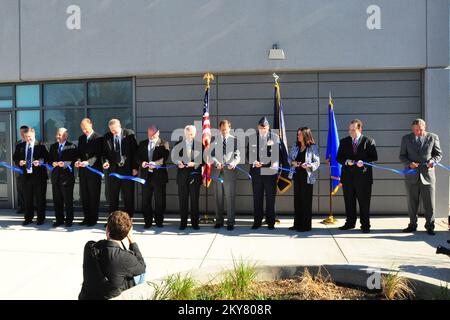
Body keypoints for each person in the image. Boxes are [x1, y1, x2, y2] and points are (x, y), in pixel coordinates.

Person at [79, 211, 146, 300]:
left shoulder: (89, 247)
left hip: (87, 297)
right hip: (109, 296)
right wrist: (131, 240)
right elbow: (142, 267)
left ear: (107, 229)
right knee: (140, 275)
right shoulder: (125, 257)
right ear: (127, 234)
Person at [399, 118, 442, 236]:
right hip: (412, 176)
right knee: (412, 203)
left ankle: (430, 226)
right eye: (415, 130)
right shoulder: (406, 138)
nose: (418, 132)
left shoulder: (433, 137)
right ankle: (412, 225)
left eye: (420, 130)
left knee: (429, 203)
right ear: (412, 129)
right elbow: (402, 156)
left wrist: (433, 161)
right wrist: (409, 163)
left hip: (428, 175)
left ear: (425, 127)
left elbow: (438, 154)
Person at [337, 119, 378, 233]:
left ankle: (365, 225)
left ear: (360, 129)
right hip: (348, 178)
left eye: (353, 130)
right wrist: (346, 161)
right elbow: (339, 157)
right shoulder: (344, 141)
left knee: (364, 202)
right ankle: (350, 223)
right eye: (350, 130)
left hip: (363, 179)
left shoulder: (368, 141)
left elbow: (374, 157)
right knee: (349, 202)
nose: (351, 132)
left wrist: (363, 162)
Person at [12, 127, 49, 226]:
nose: (28, 139)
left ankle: (40, 219)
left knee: (40, 198)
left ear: (34, 135)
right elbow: (15, 157)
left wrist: (40, 161)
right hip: (26, 176)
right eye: (26, 137)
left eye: (29, 137)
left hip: (39, 177)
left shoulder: (41, 145)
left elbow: (47, 157)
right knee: (27, 198)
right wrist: (19, 162)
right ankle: (28, 218)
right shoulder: (20, 145)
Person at [248, 117, 279, 230]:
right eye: (261, 127)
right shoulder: (252, 138)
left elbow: (278, 154)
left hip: (270, 173)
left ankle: (271, 221)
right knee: (257, 198)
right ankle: (257, 221)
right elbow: (248, 154)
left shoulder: (274, 138)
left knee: (271, 198)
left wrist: (272, 163)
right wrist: (254, 162)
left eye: (265, 127)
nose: (263, 129)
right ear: (258, 127)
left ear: (268, 127)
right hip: (256, 173)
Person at [103, 119, 138, 217]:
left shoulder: (129, 134)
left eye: (114, 130)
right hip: (114, 171)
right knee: (112, 197)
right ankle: (112, 220)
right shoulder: (107, 137)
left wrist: (135, 167)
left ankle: (128, 219)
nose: (113, 132)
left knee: (128, 196)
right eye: (111, 130)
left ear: (119, 126)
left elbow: (135, 152)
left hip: (126, 170)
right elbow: (104, 153)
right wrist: (106, 162)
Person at [136, 125, 170, 228]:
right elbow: (137, 157)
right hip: (146, 176)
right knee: (145, 200)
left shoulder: (164, 143)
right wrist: (141, 163)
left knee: (160, 200)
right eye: (149, 134)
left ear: (158, 133)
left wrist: (154, 163)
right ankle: (148, 222)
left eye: (153, 134)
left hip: (159, 177)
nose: (151, 136)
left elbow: (165, 158)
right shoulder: (142, 144)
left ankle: (159, 221)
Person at [288, 127, 320, 232]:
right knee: (297, 201)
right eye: (297, 134)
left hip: (307, 177)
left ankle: (305, 226)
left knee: (306, 201)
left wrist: (308, 165)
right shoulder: (295, 145)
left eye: (300, 134)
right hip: (296, 176)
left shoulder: (312, 147)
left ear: (306, 135)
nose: (298, 136)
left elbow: (317, 162)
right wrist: (293, 163)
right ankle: (297, 224)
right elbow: (289, 158)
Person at [211, 120, 240, 231]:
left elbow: (238, 156)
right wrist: (216, 162)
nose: (224, 131)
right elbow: (211, 155)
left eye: (226, 129)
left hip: (229, 172)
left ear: (229, 128)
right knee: (218, 198)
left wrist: (233, 163)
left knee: (230, 198)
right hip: (217, 173)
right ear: (219, 129)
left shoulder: (234, 140)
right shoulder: (215, 140)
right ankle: (219, 221)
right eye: (222, 129)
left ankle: (230, 222)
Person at [75, 118, 103, 227]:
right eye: (82, 129)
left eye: (86, 128)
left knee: (93, 196)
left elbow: (99, 155)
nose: (84, 131)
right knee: (85, 195)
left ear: (91, 125)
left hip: (94, 172)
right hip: (83, 172)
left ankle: (93, 219)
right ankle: (86, 218)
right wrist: (78, 161)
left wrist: (88, 162)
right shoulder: (81, 138)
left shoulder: (98, 138)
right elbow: (78, 153)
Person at [174, 125, 202, 230]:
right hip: (182, 177)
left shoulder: (199, 145)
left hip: (194, 177)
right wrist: (178, 163)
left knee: (195, 201)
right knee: (183, 201)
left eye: (192, 134)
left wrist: (194, 163)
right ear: (185, 134)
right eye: (188, 134)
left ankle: (195, 223)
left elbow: (203, 161)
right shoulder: (178, 145)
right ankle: (183, 223)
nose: (190, 136)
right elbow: (174, 158)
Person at [48, 128, 78, 227]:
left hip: (67, 178)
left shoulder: (72, 146)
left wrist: (64, 163)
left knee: (68, 200)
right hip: (55, 177)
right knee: (57, 200)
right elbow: (49, 160)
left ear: (65, 136)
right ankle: (59, 220)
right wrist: (52, 163)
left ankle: (69, 220)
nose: (58, 136)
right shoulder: (53, 146)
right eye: (57, 134)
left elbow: (74, 160)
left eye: (60, 135)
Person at [15, 125, 28, 214]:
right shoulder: (18, 143)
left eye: (23, 132)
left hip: (30, 170)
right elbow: (15, 157)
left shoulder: (32, 142)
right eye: (20, 132)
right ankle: (21, 207)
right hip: (20, 170)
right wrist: (19, 162)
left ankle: (30, 206)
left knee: (29, 189)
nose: (22, 134)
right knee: (20, 189)